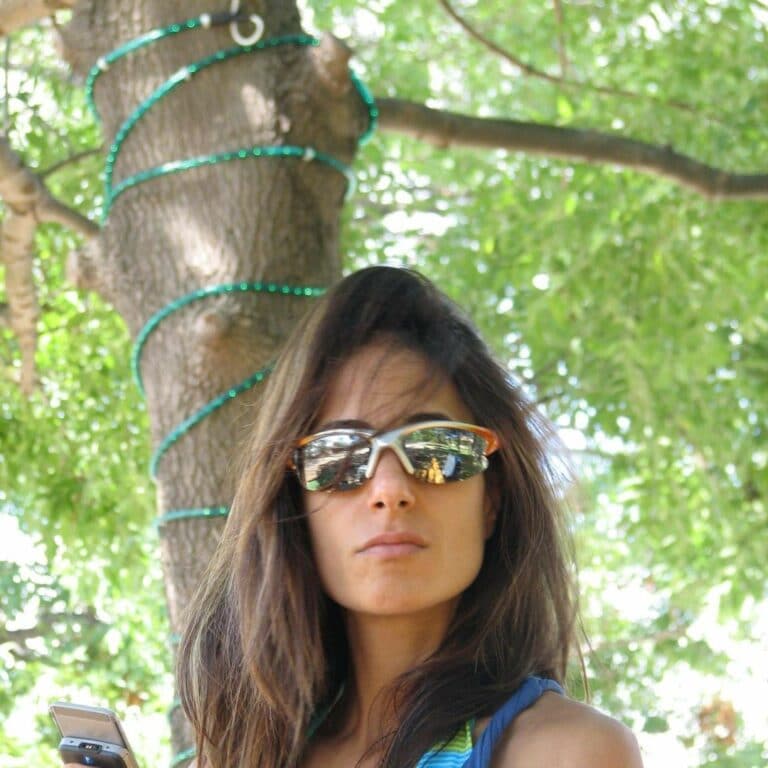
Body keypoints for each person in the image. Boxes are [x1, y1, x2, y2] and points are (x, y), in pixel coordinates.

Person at [173, 266, 645, 768]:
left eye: (437, 450)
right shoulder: (247, 754)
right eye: (341, 455)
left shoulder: (566, 752)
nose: (390, 491)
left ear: (491, 500)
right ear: (295, 504)